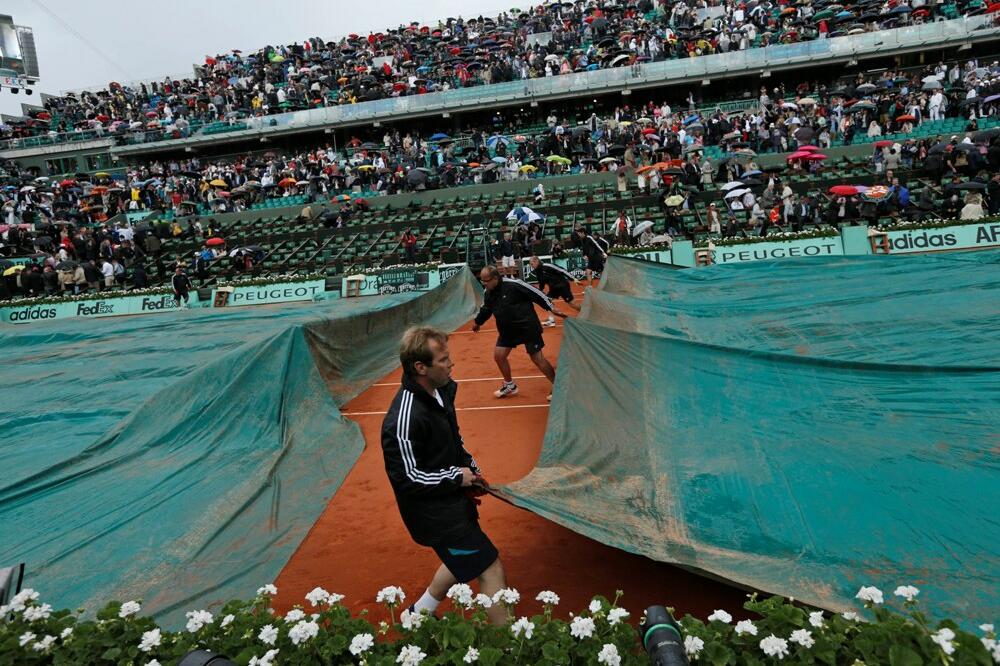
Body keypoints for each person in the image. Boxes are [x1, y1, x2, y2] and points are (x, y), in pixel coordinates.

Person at [380, 327, 507, 626]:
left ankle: (418, 614)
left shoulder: (441, 390)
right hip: (434, 515)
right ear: (420, 367)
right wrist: (455, 478)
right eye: (443, 360)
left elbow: (453, 439)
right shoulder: (403, 419)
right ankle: (511, 648)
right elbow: (408, 477)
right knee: (490, 568)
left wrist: (470, 470)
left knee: (462, 555)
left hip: (449, 501)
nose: (451, 364)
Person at [473, 265, 566, 401]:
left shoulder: (514, 285)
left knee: (537, 358)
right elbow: (486, 309)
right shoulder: (488, 292)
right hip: (508, 330)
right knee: (499, 356)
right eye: (482, 281)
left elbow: (537, 293)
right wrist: (478, 322)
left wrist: (551, 307)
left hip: (527, 327)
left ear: (495, 278)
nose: (484, 284)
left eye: (486, 281)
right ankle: (510, 385)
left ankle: (558, 386)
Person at [529, 256, 581, 327]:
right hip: (553, 288)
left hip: (562, 285)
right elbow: (541, 282)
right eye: (530, 264)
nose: (531, 266)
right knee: (547, 301)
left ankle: (585, 313)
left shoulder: (547, 266)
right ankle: (551, 320)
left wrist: (573, 279)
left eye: (532, 264)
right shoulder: (537, 271)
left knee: (572, 304)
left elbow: (562, 270)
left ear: (536, 261)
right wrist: (540, 291)